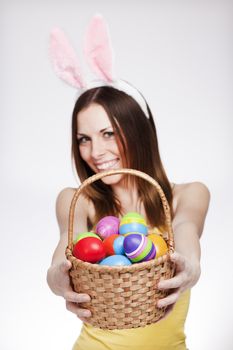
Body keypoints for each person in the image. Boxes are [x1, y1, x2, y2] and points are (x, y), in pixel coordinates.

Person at [47, 15, 210, 350]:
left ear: (137, 131)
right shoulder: (79, 200)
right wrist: (56, 279)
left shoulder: (187, 195)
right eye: (84, 139)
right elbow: (66, 245)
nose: (96, 151)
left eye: (108, 133)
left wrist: (190, 268)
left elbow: (186, 230)